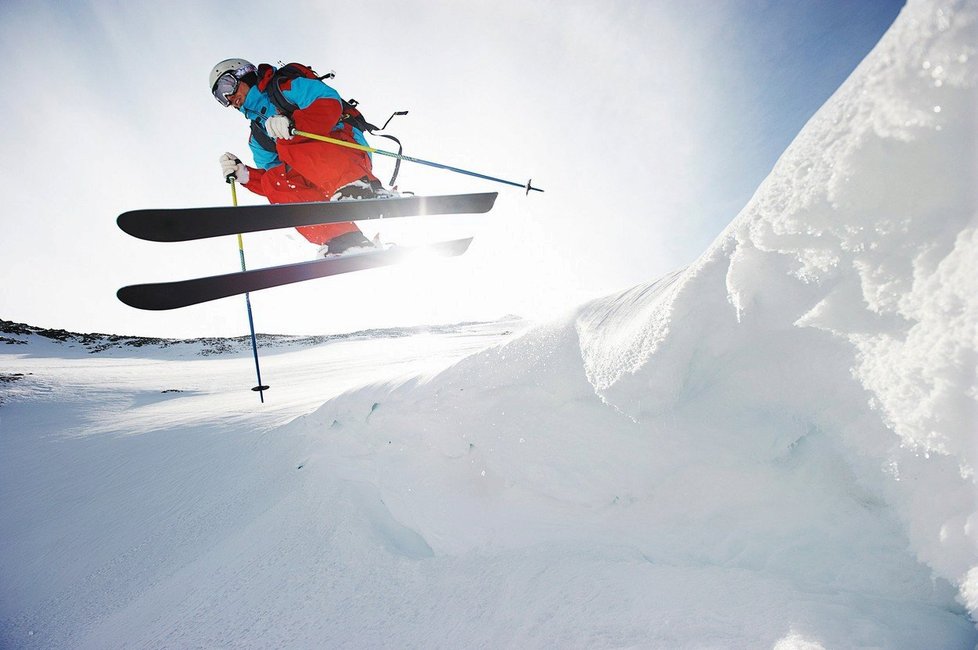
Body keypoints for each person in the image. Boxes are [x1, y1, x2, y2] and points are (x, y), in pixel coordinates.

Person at [209, 58, 393, 256]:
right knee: (273, 180)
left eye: (227, 86)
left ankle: (361, 187)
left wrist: (292, 123)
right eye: (221, 98)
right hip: (319, 178)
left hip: (345, 150)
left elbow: (329, 103)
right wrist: (245, 175)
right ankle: (345, 240)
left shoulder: (283, 87)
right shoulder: (258, 136)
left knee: (285, 141)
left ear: (244, 73)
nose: (229, 98)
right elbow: (280, 184)